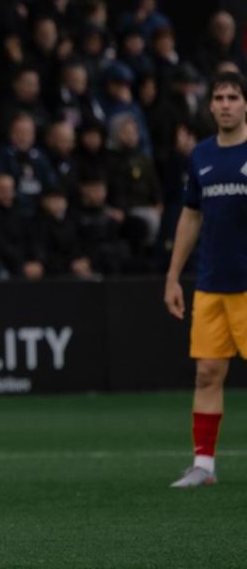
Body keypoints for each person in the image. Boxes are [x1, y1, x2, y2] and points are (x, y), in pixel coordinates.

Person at [163, 71, 247, 487]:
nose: (227, 103)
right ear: (211, 105)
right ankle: (204, 465)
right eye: (220, 96)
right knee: (207, 374)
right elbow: (191, 216)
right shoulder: (201, 155)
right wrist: (173, 276)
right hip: (212, 283)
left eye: (234, 96)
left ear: (245, 104)